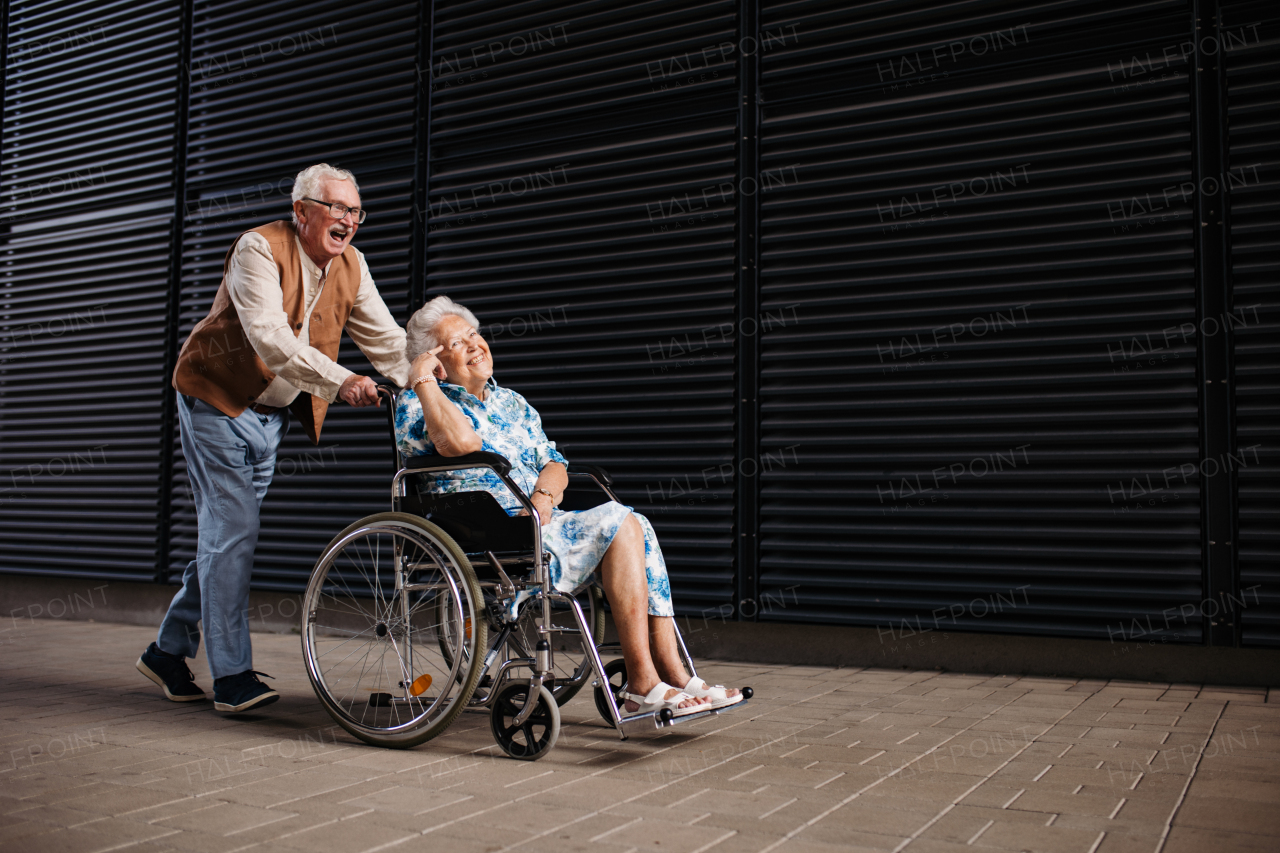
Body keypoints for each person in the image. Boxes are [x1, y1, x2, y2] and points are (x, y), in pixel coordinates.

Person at [136, 164, 411, 713]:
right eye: (336, 208)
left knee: (224, 536)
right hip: (217, 401)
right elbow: (270, 340)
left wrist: (431, 385)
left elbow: (387, 342)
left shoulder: (351, 266)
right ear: (302, 210)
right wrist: (343, 382)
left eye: (355, 211)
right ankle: (232, 676)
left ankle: (168, 651)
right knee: (232, 534)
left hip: (272, 417)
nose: (348, 220)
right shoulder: (257, 249)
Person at [395, 296, 743, 717]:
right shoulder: (417, 401)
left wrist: (543, 498)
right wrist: (422, 380)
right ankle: (643, 682)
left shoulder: (512, 402)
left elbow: (554, 462)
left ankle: (672, 670)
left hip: (535, 521)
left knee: (636, 523)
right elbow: (461, 444)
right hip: (479, 527)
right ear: (433, 359)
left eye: (475, 336)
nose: (474, 345)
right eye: (456, 343)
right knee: (619, 520)